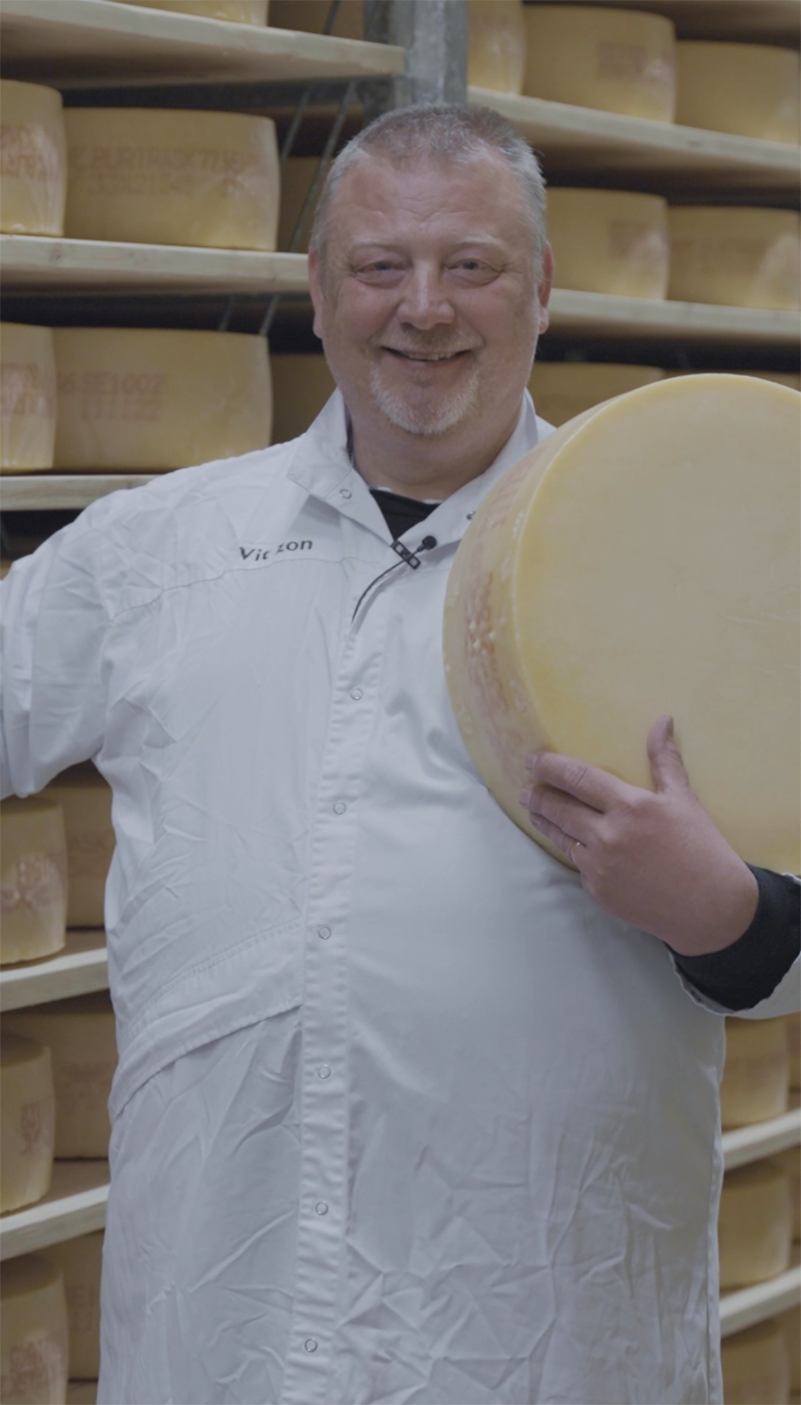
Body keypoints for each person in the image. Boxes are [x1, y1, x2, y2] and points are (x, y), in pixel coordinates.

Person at [1, 103, 800, 1405]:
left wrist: (728, 913)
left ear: (541, 288)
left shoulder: (692, 560)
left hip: (545, 1344)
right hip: (227, 1336)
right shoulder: (158, 551)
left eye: (471, 266)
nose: (422, 308)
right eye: (381, 266)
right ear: (318, 292)